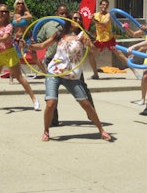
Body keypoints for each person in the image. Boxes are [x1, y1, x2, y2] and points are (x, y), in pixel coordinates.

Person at [24, 11, 111, 141]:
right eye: (74, 18)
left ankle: (101, 130)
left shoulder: (82, 35)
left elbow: (95, 51)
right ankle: (46, 131)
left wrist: (89, 44)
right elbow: (42, 45)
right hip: (54, 71)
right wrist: (27, 45)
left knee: (86, 103)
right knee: (50, 103)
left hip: (72, 74)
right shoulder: (59, 35)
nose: (77, 20)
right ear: (69, 20)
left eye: (79, 19)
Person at [36, 6, 94, 126]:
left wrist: (92, 45)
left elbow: (94, 47)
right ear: (56, 14)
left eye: (65, 13)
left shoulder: (81, 33)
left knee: (83, 89)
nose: (63, 15)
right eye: (61, 13)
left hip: (72, 66)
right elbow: (40, 42)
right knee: (52, 95)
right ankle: (52, 119)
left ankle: (92, 114)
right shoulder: (51, 27)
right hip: (53, 62)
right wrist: (28, 46)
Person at [88, 0, 140, 80]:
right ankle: (95, 74)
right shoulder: (96, 15)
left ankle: (135, 72)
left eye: (106, 5)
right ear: (100, 5)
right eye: (103, 4)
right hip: (100, 40)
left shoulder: (108, 15)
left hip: (109, 40)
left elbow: (104, 24)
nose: (104, 6)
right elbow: (87, 21)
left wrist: (94, 20)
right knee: (90, 54)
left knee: (121, 56)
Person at [123, 10, 147, 105]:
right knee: (145, 77)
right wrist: (127, 28)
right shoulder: (146, 29)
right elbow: (134, 35)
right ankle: (143, 99)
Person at [10, 0, 45, 84]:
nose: (20, 5)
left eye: (22, 3)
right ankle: (11, 78)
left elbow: (30, 16)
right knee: (14, 58)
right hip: (16, 39)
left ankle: (46, 74)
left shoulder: (25, 13)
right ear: (15, 4)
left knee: (34, 56)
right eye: (18, 3)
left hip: (26, 39)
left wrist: (21, 18)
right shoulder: (12, 15)